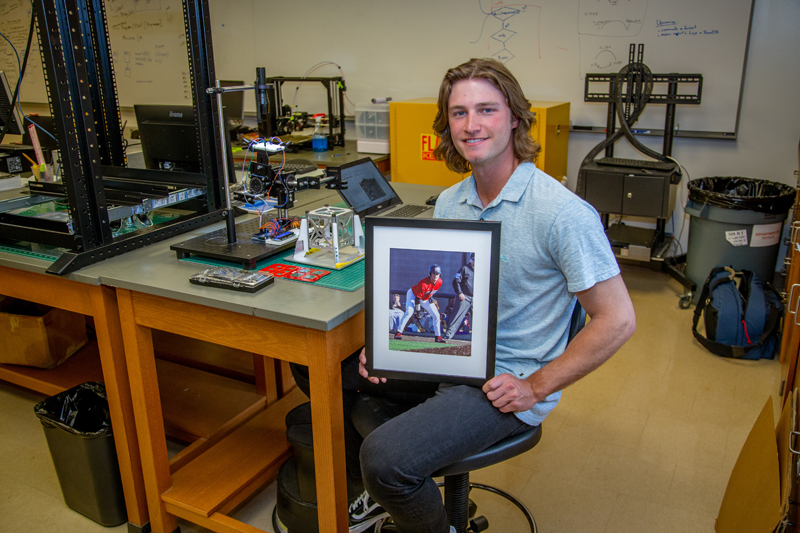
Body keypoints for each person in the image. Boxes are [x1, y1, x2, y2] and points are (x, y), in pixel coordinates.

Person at [349, 57, 636, 533]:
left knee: (384, 460)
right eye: (459, 113)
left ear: (515, 118)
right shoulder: (452, 200)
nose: (472, 124)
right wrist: (387, 346)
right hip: (453, 354)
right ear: (447, 126)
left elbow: (618, 320)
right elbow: (436, 294)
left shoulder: (562, 213)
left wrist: (536, 386)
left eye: (487, 110)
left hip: (505, 382)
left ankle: (418, 510)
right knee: (333, 372)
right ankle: (386, 499)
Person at [393, 264, 446, 343]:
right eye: (434, 273)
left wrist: (430, 296)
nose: (435, 275)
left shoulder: (440, 282)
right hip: (413, 295)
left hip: (424, 297)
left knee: (436, 315)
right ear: (430, 274)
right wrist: (418, 312)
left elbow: (431, 290)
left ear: (440, 275)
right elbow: (418, 298)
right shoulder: (423, 283)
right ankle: (398, 333)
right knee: (409, 312)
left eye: (437, 274)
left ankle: (438, 336)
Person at [443, 253, 474, 340]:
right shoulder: (465, 269)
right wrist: (460, 293)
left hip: (476, 298)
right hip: (465, 297)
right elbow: (455, 281)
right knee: (456, 317)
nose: (475, 262)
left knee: (479, 319)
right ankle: (448, 336)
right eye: (473, 259)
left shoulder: (481, 270)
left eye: (477, 260)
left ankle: (478, 340)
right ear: (470, 259)